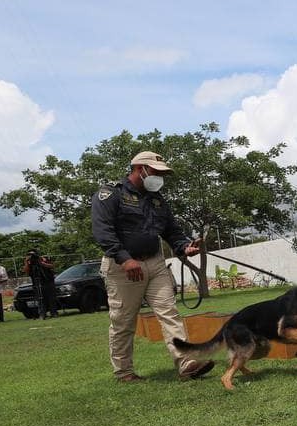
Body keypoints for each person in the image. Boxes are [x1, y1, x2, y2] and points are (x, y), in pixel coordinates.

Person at [91, 150, 213, 382]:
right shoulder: (110, 194)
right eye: (156, 172)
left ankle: (186, 362)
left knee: (170, 313)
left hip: (155, 263)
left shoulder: (158, 199)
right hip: (123, 267)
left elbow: (171, 231)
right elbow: (102, 230)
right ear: (140, 169)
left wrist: (184, 246)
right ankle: (124, 372)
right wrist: (125, 259)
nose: (160, 177)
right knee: (123, 321)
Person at [22, 250, 58, 318]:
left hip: (48, 281)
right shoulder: (29, 263)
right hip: (37, 283)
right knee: (40, 299)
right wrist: (26, 262)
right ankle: (42, 313)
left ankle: (54, 312)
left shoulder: (43, 259)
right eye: (29, 254)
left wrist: (42, 263)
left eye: (32, 254)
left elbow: (52, 266)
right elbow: (26, 271)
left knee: (51, 298)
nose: (31, 256)